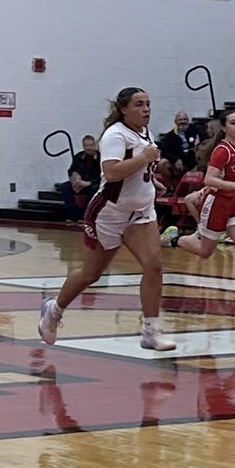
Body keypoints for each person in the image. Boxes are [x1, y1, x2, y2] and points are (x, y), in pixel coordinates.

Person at [38, 88, 174, 351]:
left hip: (142, 212)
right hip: (110, 213)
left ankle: (150, 331)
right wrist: (143, 158)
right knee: (92, 273)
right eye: (139, 104)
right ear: (123, 109)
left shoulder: (144, 132)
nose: (146, 109)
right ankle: (53, 311)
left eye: (148, 104)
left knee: (154, 265)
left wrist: (152, 180)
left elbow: (138, 168)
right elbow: (111, 173)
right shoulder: (115, 135)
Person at [161, 109, 235, 309]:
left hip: (234, 204)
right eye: (233, 123)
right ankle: (173, 238)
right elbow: (209, 179)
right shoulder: (222, 150)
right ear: (224, 127)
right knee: (205, 252)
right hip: (217, 204)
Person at [57, 135, 102, 222]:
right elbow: (71, 170)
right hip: (81, 182)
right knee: (65, 187)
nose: (89, 148)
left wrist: (89, 183)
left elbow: (103, 175)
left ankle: (84, 215)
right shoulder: (79, 157)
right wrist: (75, 177)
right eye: (86, 146)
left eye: (91, 145)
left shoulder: (101, 157)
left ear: (95, 145)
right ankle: (73, 215)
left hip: (94, 183)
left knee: (94, 189)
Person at [157, 111, 204, 178]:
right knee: (162, 163)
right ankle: (170, 187)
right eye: (180, 120)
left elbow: (205, 144)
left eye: (185, 119)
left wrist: (198, 145)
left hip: (195, 161)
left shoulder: (196, 130)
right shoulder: (170, 135)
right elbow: (165, 151)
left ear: (188, 121)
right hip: (178, 163)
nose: (183, 121)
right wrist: (175, 159)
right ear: (175, 122)